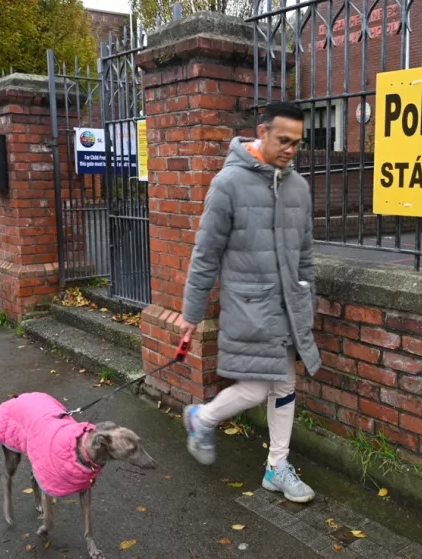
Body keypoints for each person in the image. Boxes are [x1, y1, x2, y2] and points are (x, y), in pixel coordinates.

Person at [176, 101, 322, 504]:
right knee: (258, 388)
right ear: (262, 132)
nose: (291, 149)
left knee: (286, 383)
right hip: (250, 308)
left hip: (289, 306)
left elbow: (305, 254)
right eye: (283, 140)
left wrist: (306, 295)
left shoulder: (299, 187)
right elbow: (205, 254)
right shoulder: (228, 184)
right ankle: (201, 418)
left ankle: (277, 467)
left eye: (298, 142)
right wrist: (192, 314)